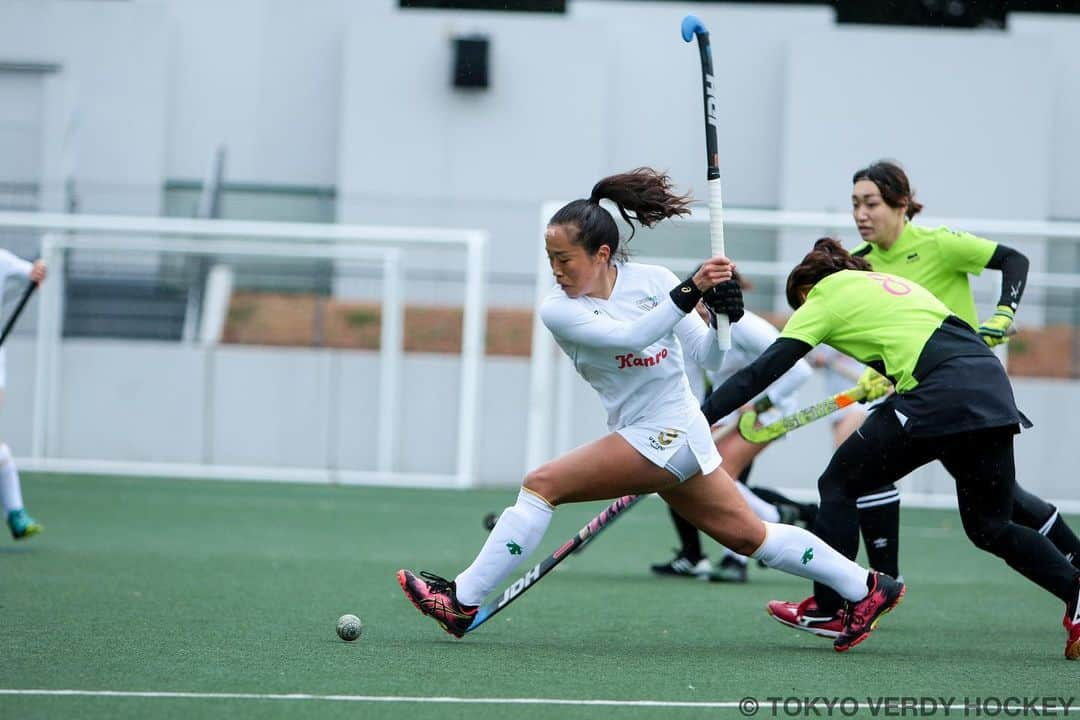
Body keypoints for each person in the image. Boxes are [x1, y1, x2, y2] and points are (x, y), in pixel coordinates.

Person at [397, 168, 903, 653]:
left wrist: (724, 316)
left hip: (672, 432)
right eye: (550, 257)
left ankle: (462, 600)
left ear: (601, 253)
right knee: (751, 536)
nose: (556, 269)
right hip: (650, 434)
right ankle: (867, 587)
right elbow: (631, 336)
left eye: (565, 259)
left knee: (542, 484)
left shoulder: (652, 280)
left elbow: (708, 356)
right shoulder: (561, 308)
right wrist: (691, 291)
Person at [700, 237, 1080, 659]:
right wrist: (889, 374)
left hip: (939, 392)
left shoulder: (823, 296)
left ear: (805, 293)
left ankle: (831, 608)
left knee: (839, 482)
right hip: (989, 386)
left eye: (799, 308)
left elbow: (761, 372)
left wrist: (700, 417)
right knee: (990, 526)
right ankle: (1076, 592)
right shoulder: (888, 284)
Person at [771, 161, 1080, 638]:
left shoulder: (939, 244)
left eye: (871, 203)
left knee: (994, 506)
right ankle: (871, 586)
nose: (861, 214)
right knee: (984, 519)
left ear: (901, 204)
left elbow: (1013, 260)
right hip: (932, 390)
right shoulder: (858, 263)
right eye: (855, 204)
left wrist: (1003, 312)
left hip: (951, 386)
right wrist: (882, 370)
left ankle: (856, 595)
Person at [651, 276, 817, 583]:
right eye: (695, 298)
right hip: (732, 410)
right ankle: (766, 527)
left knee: (722, 474)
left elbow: (800, 371)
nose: (697, 307)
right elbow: (695, 380)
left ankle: (763, 528)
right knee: (704, 474)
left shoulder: (747, 326)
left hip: (770, 409)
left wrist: (761, 405)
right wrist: (700, 417)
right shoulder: (693, 329)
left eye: (704, 299)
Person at [0, 249, 46, 540]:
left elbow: (33, 273)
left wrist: (39, 271)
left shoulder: (1, 260)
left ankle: (16, 512)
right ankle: (15, 511)